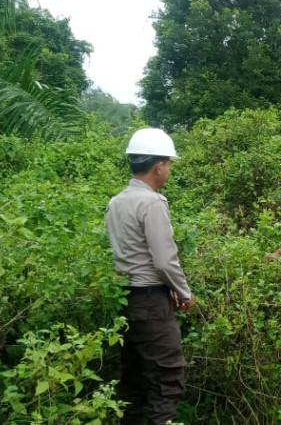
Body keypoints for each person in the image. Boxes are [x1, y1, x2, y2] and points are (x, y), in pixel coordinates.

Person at [105, 128, 194, 424]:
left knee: (133, 383)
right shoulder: (152, 202)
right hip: (151, 302)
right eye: (168, 164)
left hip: (125, 300)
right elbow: (164, 262)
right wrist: (183, 292)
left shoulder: (117, 201)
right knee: (167, 381)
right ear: (159, 165)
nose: (168, 170)